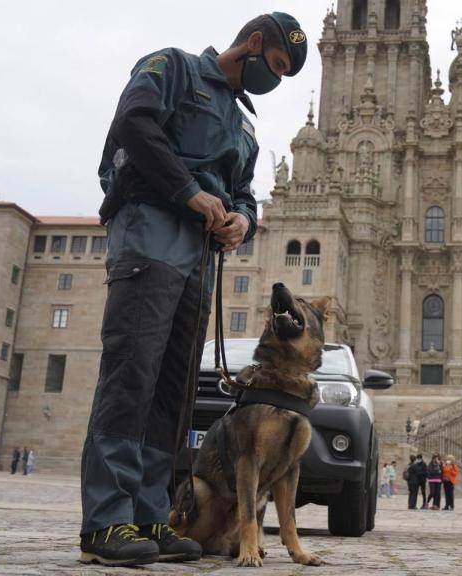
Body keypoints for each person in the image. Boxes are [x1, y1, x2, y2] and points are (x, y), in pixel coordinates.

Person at [80, 12, 308, 567]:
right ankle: (106, 522)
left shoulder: (244, 127)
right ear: (254, 43)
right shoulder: (174, 68)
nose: (273, 79)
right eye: (276, 65)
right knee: (132, 375)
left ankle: (149, 515)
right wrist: (188, 191)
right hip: (150, 235)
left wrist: (243, 220)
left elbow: (245, 193)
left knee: (173, 390)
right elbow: (134, 124)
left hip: (199, 261)